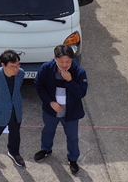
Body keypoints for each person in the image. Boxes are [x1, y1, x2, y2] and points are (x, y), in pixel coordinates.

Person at [34, 45, 88, 174]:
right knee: (47, 131)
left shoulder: (79, 72)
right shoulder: (46, 68)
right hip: (51, 110)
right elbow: (39, 85)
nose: (64, 64)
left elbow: (81, 93)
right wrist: (50, 102)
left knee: (72, 137)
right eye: (61, 61)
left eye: (67, 62)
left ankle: (73, 159)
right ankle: (46, 149)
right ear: (55, 58)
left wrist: (70, 81)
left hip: (71, 113)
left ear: (72, 60)